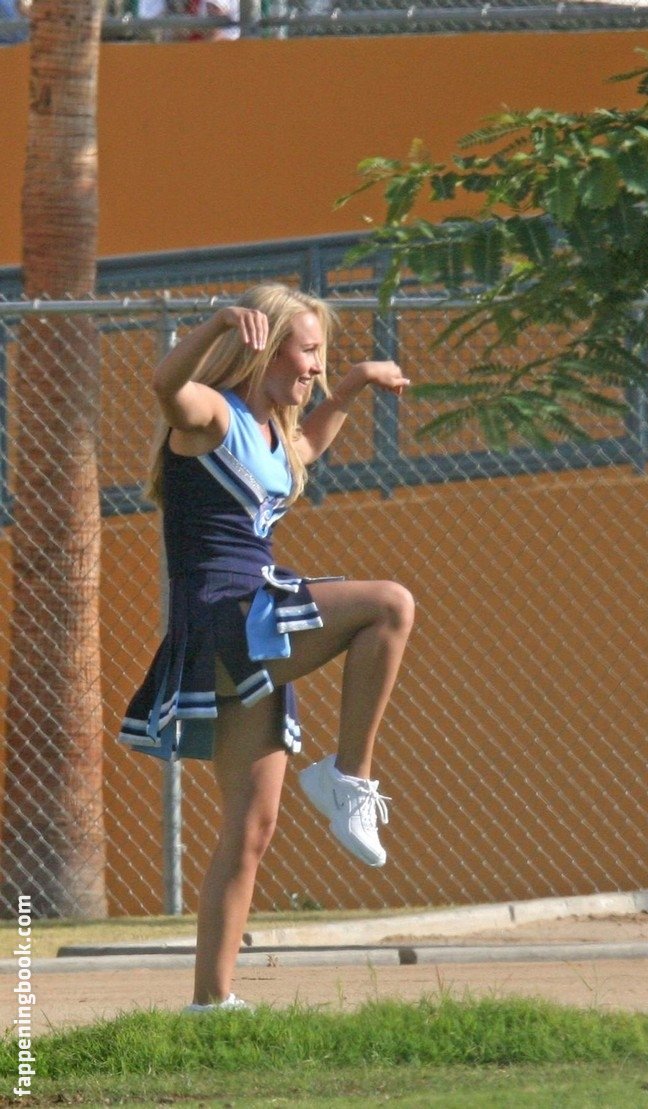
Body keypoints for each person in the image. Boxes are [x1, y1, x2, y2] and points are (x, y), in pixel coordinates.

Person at [118, 283, 414, 1011]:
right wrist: (218, 322)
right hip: (230, 617)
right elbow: (165, 385)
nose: (315, 366)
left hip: (247, 628)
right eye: (309, 351)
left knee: (251, 828)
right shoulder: (213, 415)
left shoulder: (273, 434)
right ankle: (348, 776)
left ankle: (210, 1005)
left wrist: (351, 384)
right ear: (265, 346)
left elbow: (308, 444)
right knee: (389, 605)